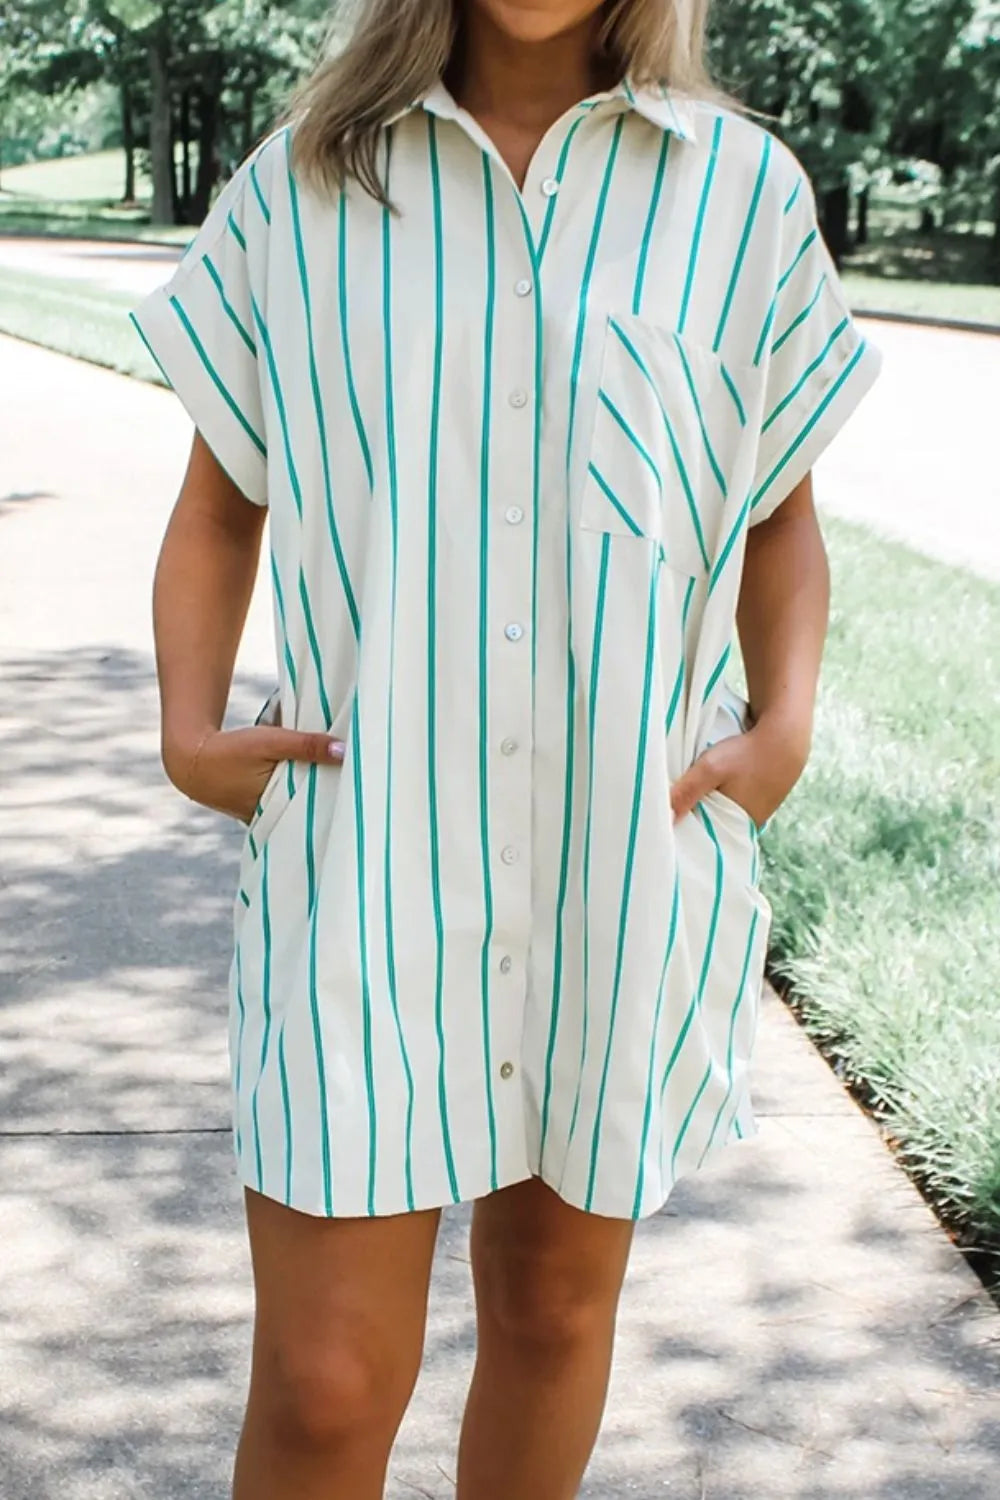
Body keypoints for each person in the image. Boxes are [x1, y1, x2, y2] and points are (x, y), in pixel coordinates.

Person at [132, 1, 881, 1495]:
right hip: (370, 866)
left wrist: (781, 724)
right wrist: (186, 726)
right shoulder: (302, 186)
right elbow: (221, 506)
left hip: (616, 863)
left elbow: (780, 513)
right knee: (328, 1377)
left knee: (550, 1313)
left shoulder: (741, 195)